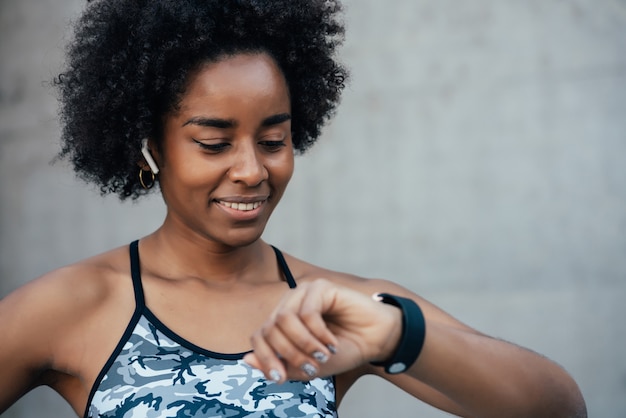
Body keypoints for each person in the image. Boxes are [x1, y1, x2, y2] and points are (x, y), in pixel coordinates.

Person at [0, 0, 587, 417]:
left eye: (274, 140)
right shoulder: (76, 305)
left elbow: (558, 408)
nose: (253, 169)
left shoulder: (335, 309)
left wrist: (396, 336)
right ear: (152, 145)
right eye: (214, 142)